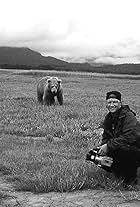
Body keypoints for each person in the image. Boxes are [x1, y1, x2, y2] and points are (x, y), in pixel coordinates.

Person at [98, 90, 140, 184]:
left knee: (123, 151)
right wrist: (103, 148)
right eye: (109, 102)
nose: (112, 105)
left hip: (134, 150)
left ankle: (131, 180)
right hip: (119, 147)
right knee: (93, 155)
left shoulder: (128, 116)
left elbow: (130, 137)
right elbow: (106, 136)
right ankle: (118, 174)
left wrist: (108, 146)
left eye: (115, 102)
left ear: (120, 103)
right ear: (106, 104)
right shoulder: (108, 118)